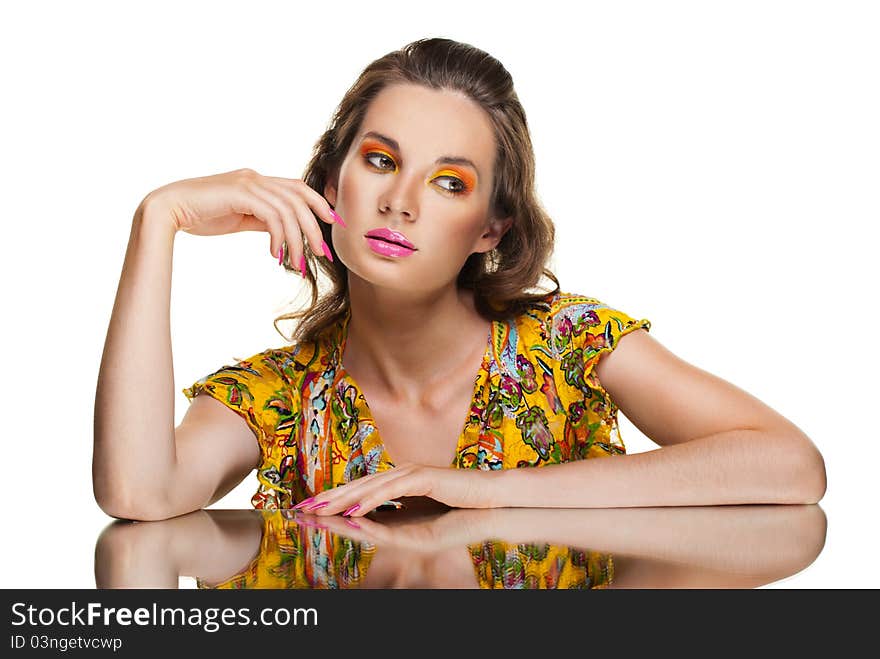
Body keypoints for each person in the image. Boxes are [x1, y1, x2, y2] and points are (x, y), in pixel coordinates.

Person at [93, 37, 826, 522]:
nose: (400, 200)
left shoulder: (567, 344)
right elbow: (137, 492)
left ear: (489, 228)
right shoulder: (280, 397)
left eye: (448, 181)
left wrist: (492, 489)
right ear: (328, 181)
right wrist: (158, 220)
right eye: (380, 160)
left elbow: (790, 465)